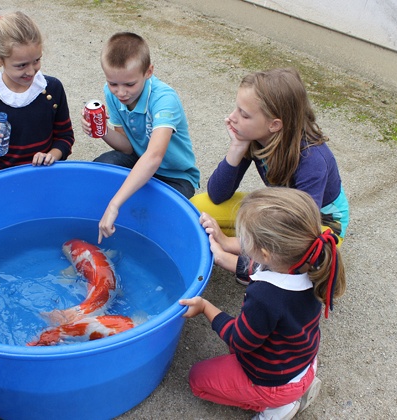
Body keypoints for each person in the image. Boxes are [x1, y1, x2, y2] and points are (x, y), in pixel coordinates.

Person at [180, 187, 346, 420]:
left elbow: (240, 341)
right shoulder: (309, 265)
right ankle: (299, 386)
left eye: (243, 238)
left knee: (197, 379)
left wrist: (206, 307)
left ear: (266, 254)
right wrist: (220, 250)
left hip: (273, 380)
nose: (241, 241)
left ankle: (277, 408)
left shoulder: (265, 297)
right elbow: (255, 268)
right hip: (300, 362)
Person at [190, 68, 349, 285]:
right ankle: (257, 260)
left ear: (274, 124)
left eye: (244, 114)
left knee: (301, 257)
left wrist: (228, 243)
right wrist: (237, 147)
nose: (231, 118)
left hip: (318, 221)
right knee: (199, 207)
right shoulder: (254, 136)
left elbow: (298, 231)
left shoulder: (313, 160)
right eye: (236, 109)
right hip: (279, 207)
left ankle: (252, 266)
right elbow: (217, 195)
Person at [81, 32, 200, 243]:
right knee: (104, 165)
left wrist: (114, 204)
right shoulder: (113, 94)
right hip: (137, 159)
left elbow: (154, 157)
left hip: (175, 176)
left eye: (129, 84)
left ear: (149, 72)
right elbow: (126, 148)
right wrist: (102, 131)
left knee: (160, 215)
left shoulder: (164, 99)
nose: (121, 93)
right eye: (113, 84)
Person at [0, 12, 75, 173]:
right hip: (2, 180)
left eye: (37, 60)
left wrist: (52, 155)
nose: (31, 72)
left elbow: (65, 136)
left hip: (44, 174)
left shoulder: (52, 89)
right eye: (21, 65)